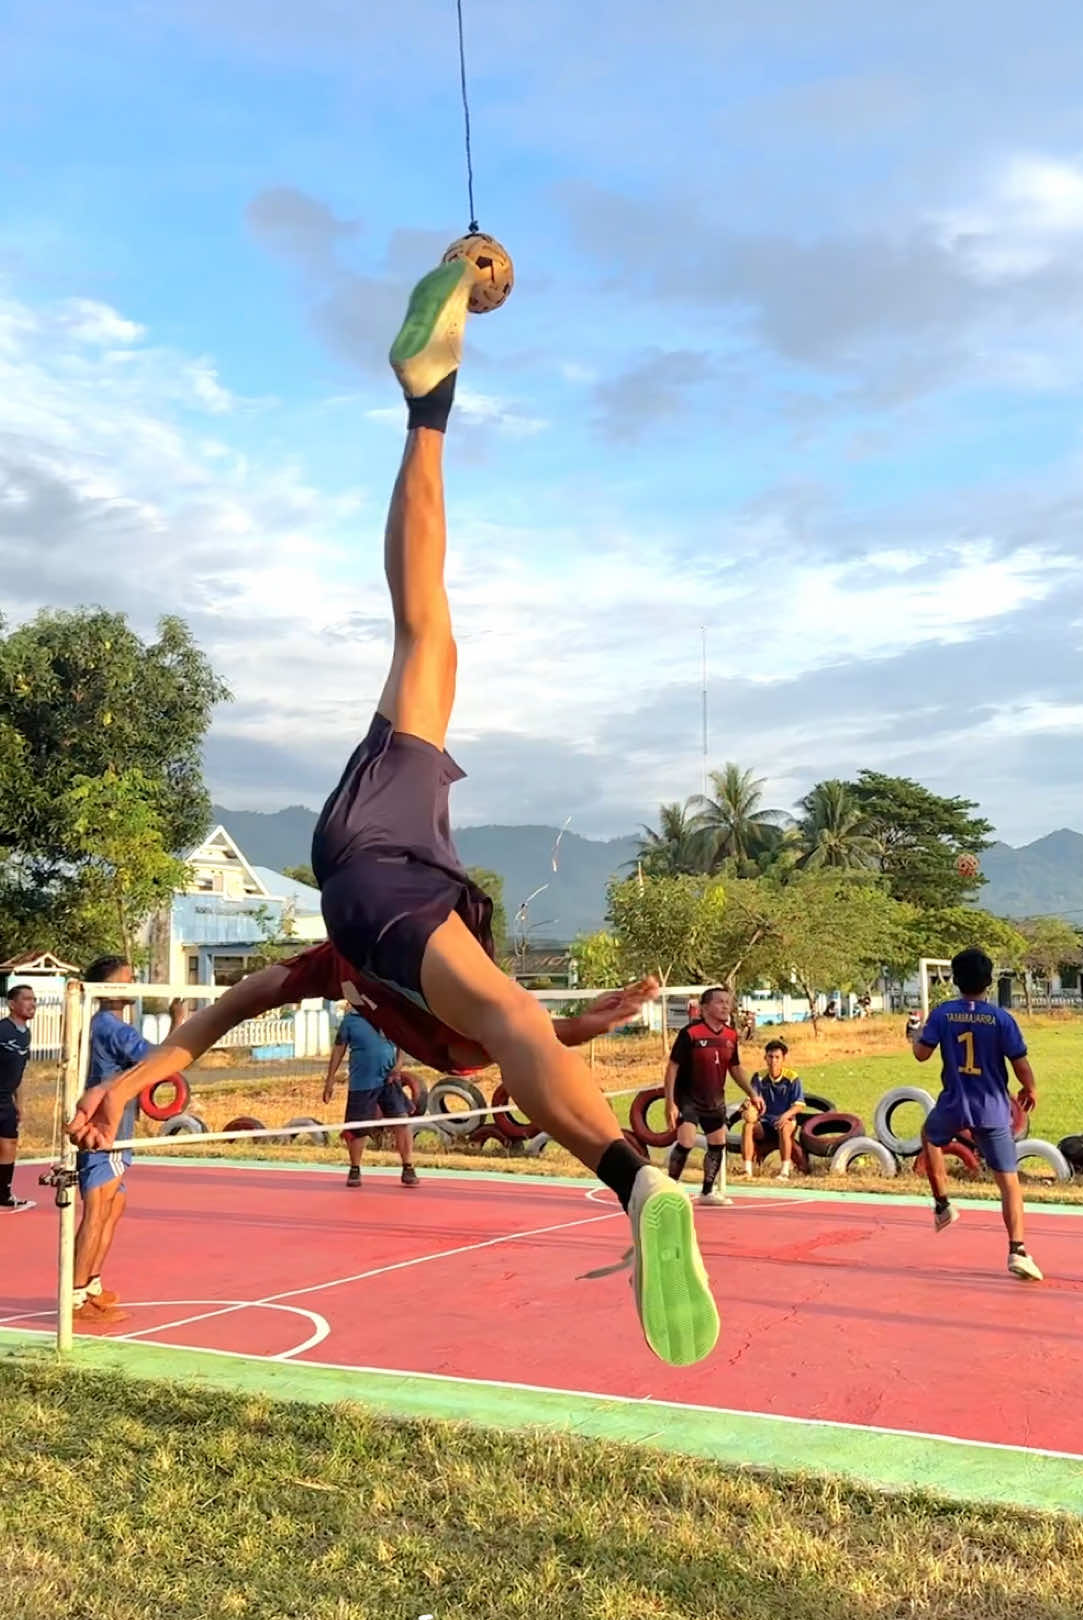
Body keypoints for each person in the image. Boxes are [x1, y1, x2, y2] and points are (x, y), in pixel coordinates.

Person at [69, 255, 719, 1369]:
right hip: (373, 863)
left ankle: (429, 403)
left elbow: (503, 1036)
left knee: (426, 632)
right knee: (428, 637)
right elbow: (508, 1037)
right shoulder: (412, 984)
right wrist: (590, 1022)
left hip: (381, 861)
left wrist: (132, 1078)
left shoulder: (395, 966)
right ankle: (634, 1181)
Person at [912, 947, 1042, 1282]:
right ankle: (1018, 1250)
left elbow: (922, 1055)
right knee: (1008, 1182)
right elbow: (1020, 1063)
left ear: (955, 980)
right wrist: (1030, 1089)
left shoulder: (942, 1014)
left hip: (955, 1102)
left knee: (930, 1136)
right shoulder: (1001, 1019)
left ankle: (943, 1206)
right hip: (993, 1107)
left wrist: (914, 1034)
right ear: (989, 981)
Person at [72, 958, 185, 1325]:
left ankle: (91, 1287)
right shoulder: (108, 1026)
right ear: (110, 989)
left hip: (119, 1132)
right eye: (127, 979)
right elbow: (159, 1060)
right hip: (107, 1131)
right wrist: (179, 1022)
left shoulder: (115, 1025)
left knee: (113, 1209)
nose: (134, 984)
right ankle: (74, 1299)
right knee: (96, 1211)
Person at [665, 987, 762, 1206]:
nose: (726, 1006)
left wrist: (753, 1094)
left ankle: (707, 1192)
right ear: (705, 1008)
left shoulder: (730, 1036)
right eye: (719, 1002)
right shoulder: (690, 1033)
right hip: (688, 1097)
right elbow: (672, 1068)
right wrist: (670, 1102)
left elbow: (735, 1068)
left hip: (715, 1099)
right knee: (687, 1140)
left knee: (718, 1143)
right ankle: (670, 1185)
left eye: (728, 1002)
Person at [323, 1007, 418, 1188]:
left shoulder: (388, 1014)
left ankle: (408, 1167)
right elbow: (338, 1051)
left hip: (388, 1079)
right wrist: (330, 1080)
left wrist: (398, 1065)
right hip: (362, 1082)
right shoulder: (350, 1021)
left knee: (402, 1120)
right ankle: (355, 1169)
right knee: (358, 1127)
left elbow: (402, 1043)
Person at [739, 1038, 806, 1180]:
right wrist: (747, 1106)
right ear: (765, 1058)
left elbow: (799, 1105)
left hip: (785, 1120)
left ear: (783, 1059)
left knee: (785, 1126)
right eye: (770, 1057)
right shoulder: (758, 1077)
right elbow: (752, 1097)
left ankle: (784, 1172)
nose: (773, 1060)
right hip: (765, 1122)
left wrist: (785, 1115)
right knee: (748, 1126)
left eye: (777, 1057)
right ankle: (747, 1171)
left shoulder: (792, 1078)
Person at [0, 984, 37, 1213]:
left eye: (34, 1000)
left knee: (9, 1143)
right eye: (27, 999)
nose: (32, 1004)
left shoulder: (27, 1035)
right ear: (12, 1004)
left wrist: (19, 1103)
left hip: (6, 1099)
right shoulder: (2, 1030)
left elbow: (20, 1073)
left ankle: (3, 1195)